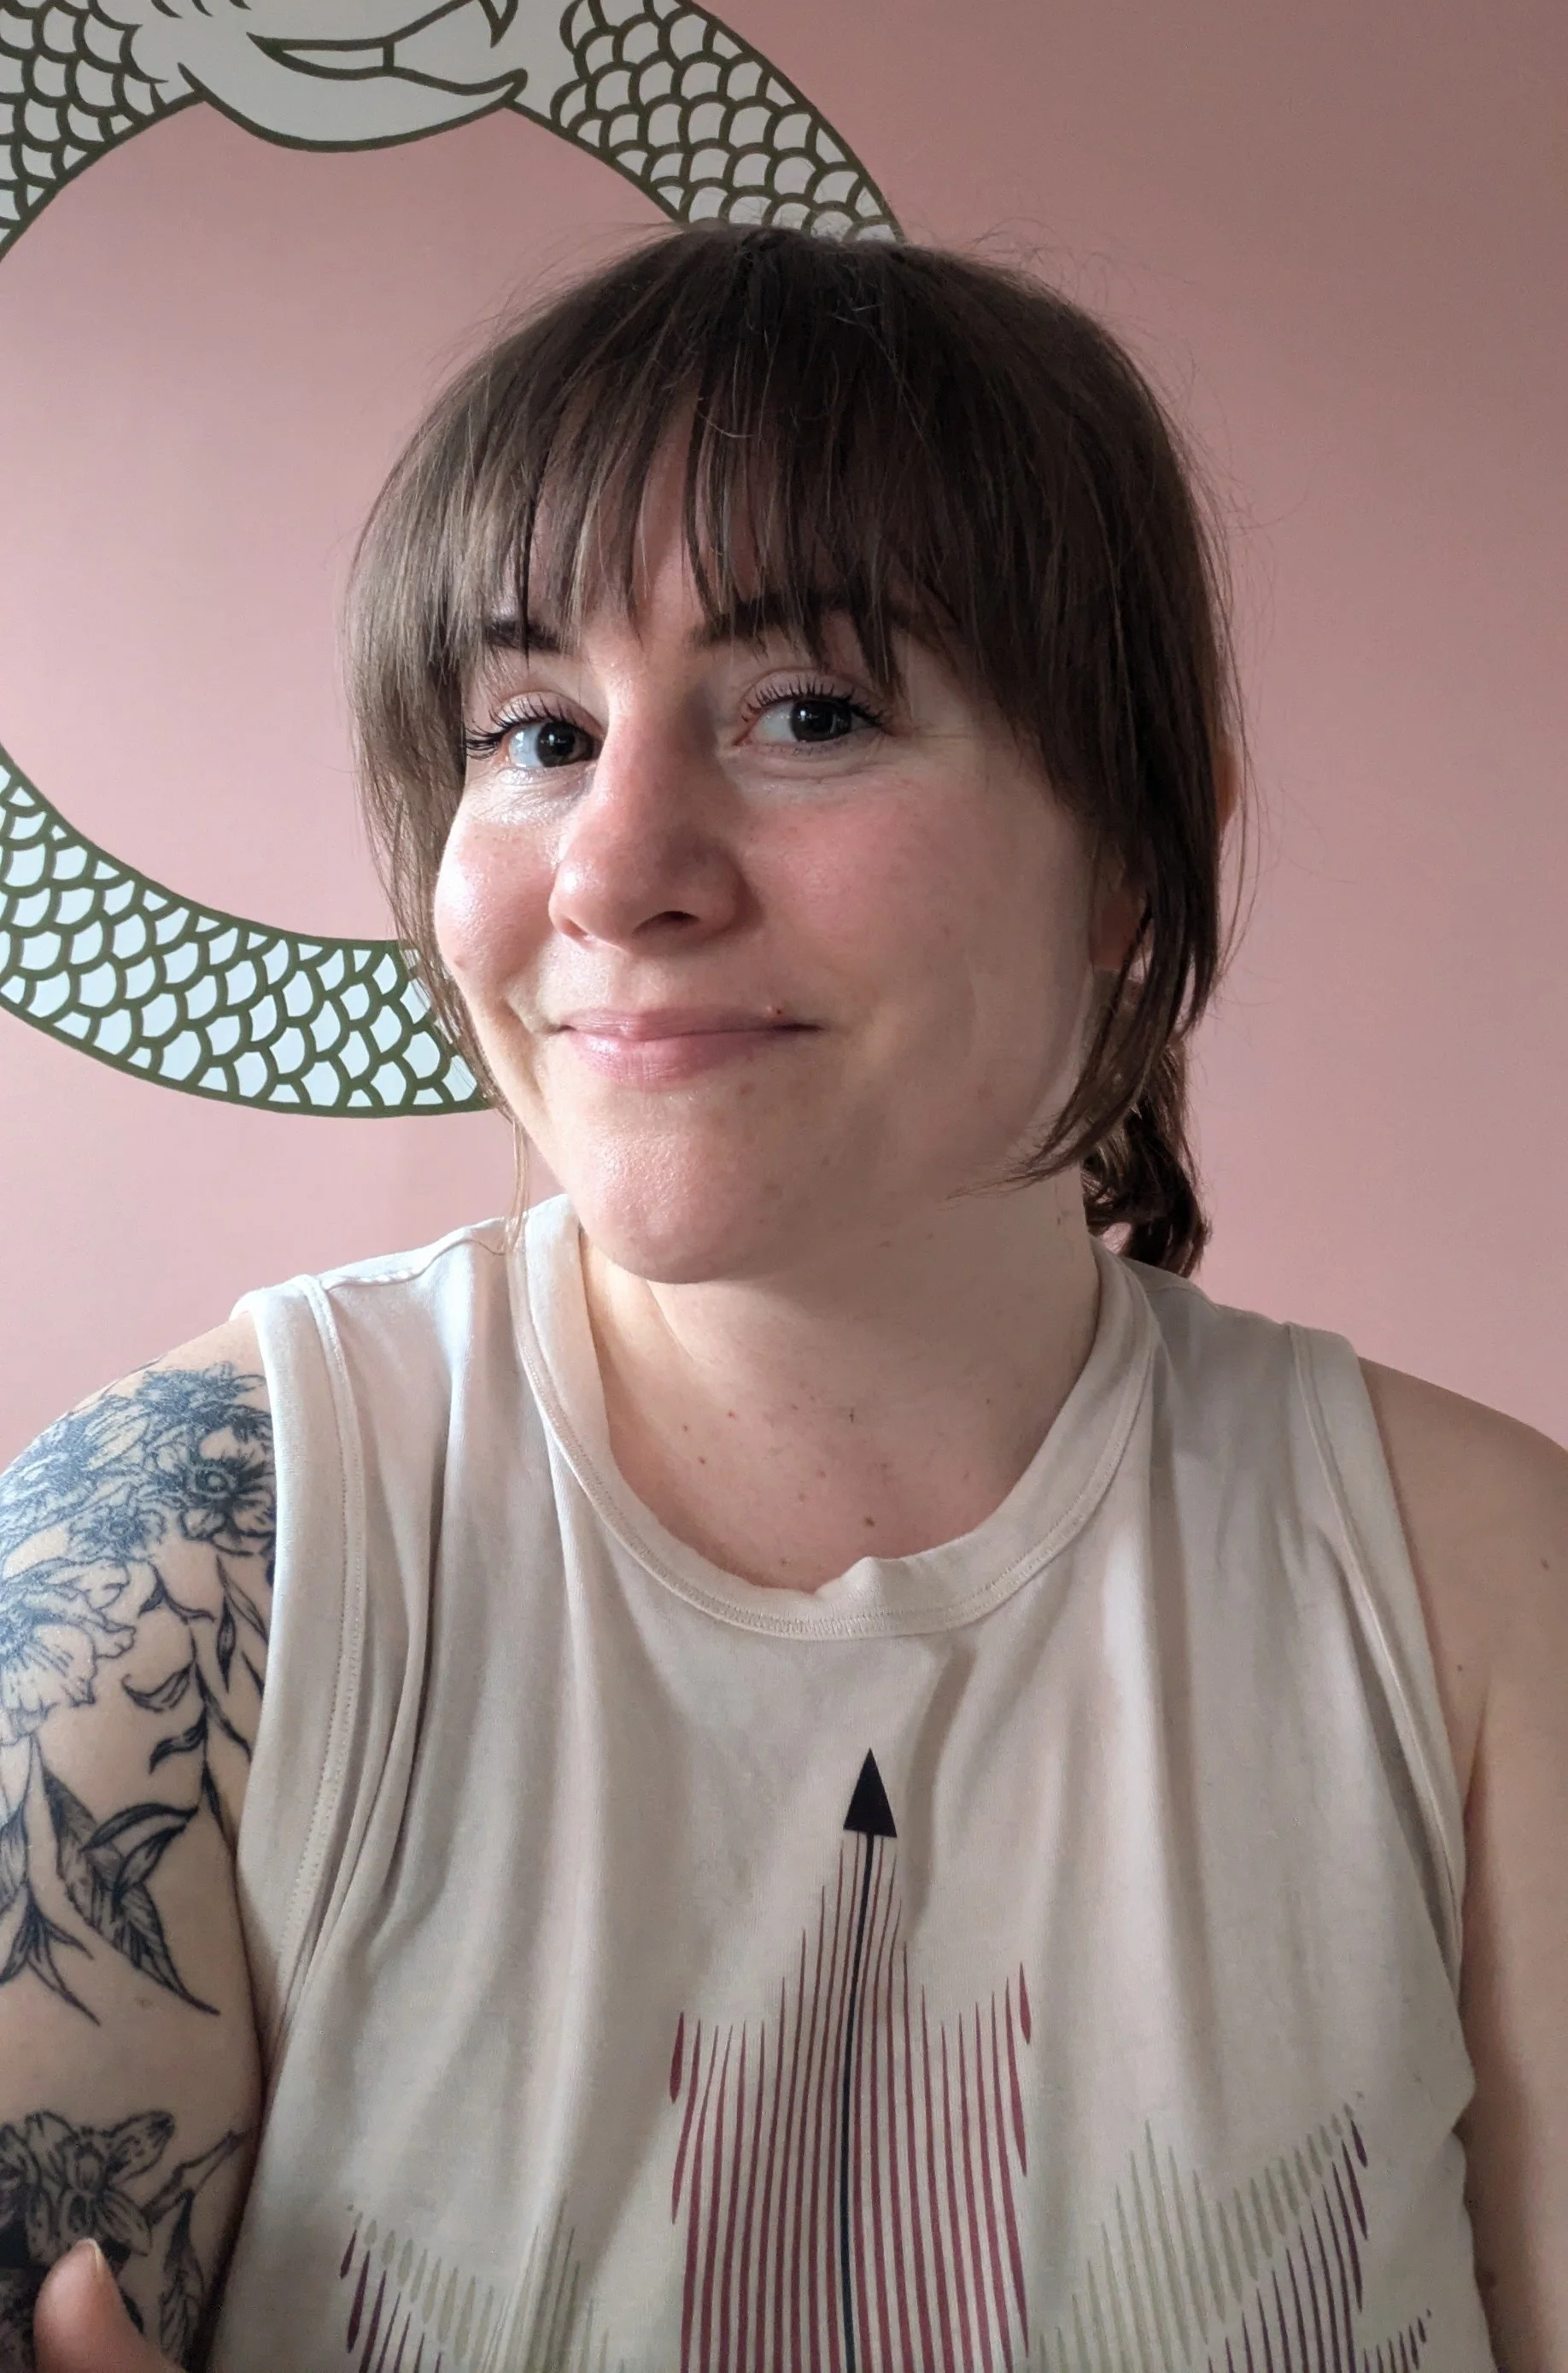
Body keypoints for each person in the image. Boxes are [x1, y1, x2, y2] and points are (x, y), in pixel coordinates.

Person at [3, 228, 1561, 2373]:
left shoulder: (1482, 1602)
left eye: (810, 712)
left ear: (1134, 849)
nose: (613, 866)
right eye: (535, 731)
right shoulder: (190, 1565)